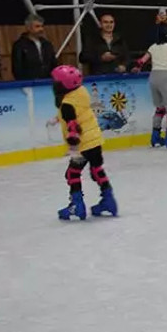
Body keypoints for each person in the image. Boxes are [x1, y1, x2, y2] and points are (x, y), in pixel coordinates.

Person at [50, 65, 117, 220]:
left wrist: (73, 148)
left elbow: (73, 126)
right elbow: (78, 111)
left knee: (72, 174)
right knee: (96, 169)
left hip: (82, 144)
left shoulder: (67, 104)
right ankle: (108, 199)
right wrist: (57, 118)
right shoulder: (81, 92)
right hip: (95, 139)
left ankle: (77, 205)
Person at [134, 27, 167, 149]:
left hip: (153, 77)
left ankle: (155, 137)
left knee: (160, 109)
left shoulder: (153, 47)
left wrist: (137, 68)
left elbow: (141, 61)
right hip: (166, 77)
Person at [11, 14, 57, 81]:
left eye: (42, 26)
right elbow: (17, 68)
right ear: (28, 28)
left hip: (47, 82)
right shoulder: (19, 45)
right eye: (37, 26)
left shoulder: (47, 44)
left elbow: (54, 63)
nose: (41, 29)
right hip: (29, 84)